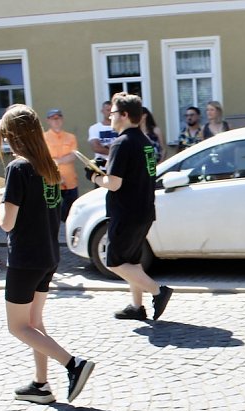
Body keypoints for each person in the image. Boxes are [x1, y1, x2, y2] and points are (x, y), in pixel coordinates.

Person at [0, 104, 94, 404]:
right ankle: (41, 385)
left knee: (18, 327)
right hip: (48, 256)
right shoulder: (49, 166)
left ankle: (73, 364)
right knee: (35, 324)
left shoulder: (18, 168)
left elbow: (7, 223)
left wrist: (0, 199)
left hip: (25, 258)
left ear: (14, 136)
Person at [86, 92, 172, 321]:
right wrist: (105, 167)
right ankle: (137, 306)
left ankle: (157, 290)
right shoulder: (143, 141)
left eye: (113, 113)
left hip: (125, 212)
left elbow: (113, 184)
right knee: (132, 261)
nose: (110, 117)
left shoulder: (121, 143)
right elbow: (133, 173)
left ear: (124, 115)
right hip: (144, 210)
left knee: (113, 261)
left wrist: (93, 177)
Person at [43, 108, 80, 219]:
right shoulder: (43, 138)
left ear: (62, 119)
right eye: (53, 118)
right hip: (52, 180)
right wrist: (62, 159)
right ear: (48, 121)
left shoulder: (71, 137)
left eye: (58, 118)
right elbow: (44, 159)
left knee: (70, 212)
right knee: (52, 213)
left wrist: (55, 161)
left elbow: (73, 156)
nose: (56, 121)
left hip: (70, 181)